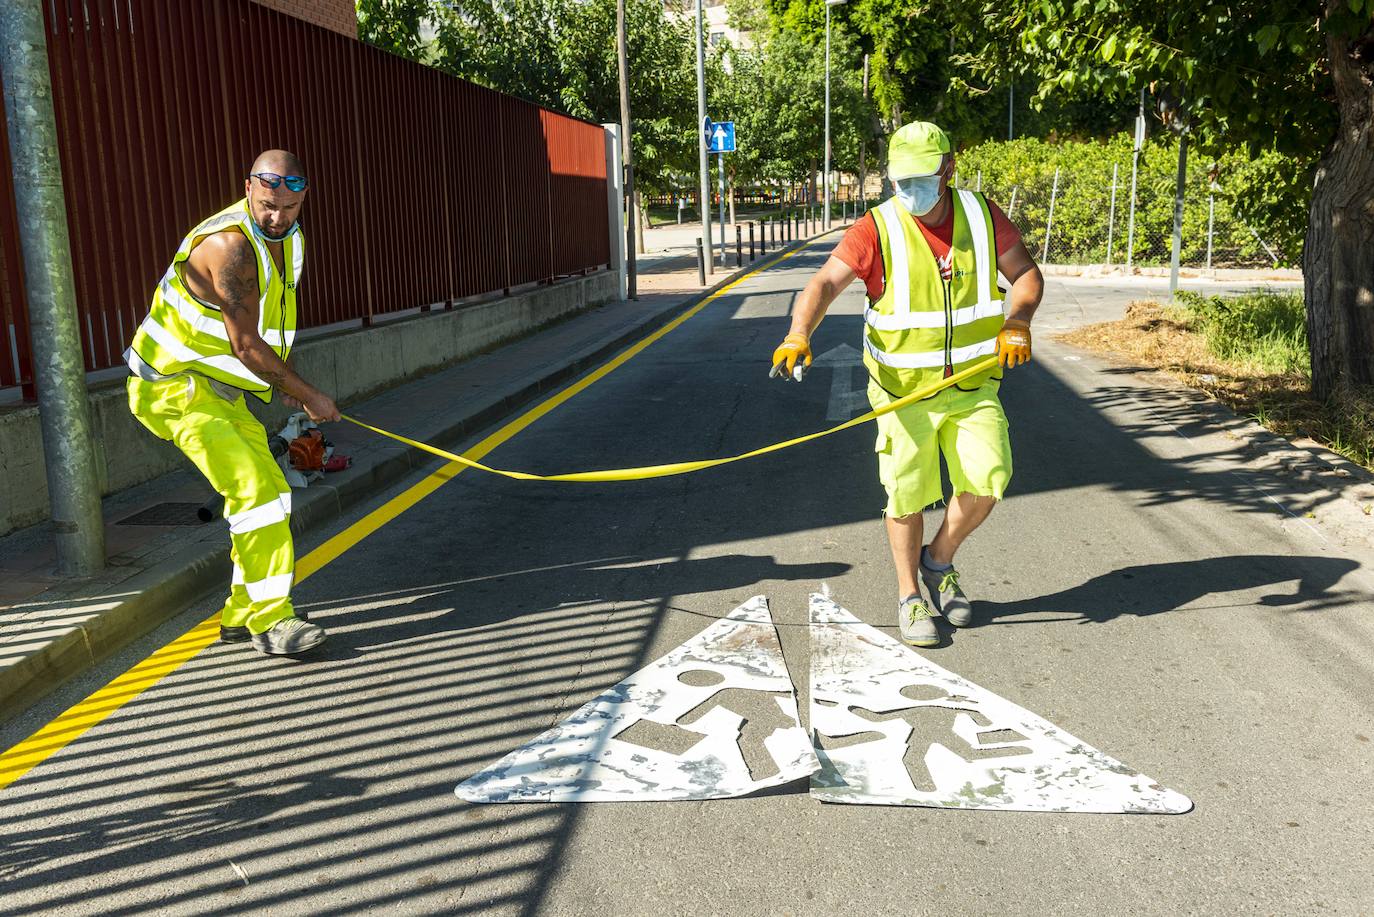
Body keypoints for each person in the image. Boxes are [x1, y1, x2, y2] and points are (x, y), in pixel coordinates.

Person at [769, 122, 1042, 647]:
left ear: (948, 169)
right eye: (900, 180)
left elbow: (1025, 274)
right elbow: (825, 281)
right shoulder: (877, 228)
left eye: (919, 178)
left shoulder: (982, 218)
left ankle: (939, 560)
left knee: (989, 479)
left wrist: (1018, 321)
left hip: (972, 385)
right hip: (900, 392)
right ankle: (910, 597)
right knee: (907, 495)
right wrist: (798, 332)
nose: (909, 189)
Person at [124, 150, 338, 656]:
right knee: (256, 491)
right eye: (266, 205)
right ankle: (272, 621)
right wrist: (308, 394)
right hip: (173, 388)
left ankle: (242, 614)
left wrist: (277, 383)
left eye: (288, 207)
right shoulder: (231, 247)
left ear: (304, 196)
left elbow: (264, 332)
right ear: (248, 189)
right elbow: (245, 344)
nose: (276, 217)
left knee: (272, 495)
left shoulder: (288, 241)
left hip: (220, 390)